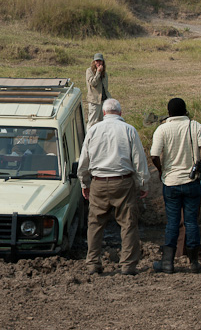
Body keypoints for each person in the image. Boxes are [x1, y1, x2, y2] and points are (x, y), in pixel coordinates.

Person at [78, 98, 150, 276]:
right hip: (123, 182)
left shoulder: (93, 130)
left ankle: (93, 263)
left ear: (103, 113)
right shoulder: (129, 130)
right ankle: (128, 265)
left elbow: (84, 161)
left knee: (95, 224)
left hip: (98, 182)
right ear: (120, 112)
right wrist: (143, 183)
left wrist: (84, 183)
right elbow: (139, 160)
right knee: (128, 224)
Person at [150, 98, 201, 273]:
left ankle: (168, 263)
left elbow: (154, 156)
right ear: (185, 111)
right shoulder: (195, 126)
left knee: (172, 223)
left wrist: (162, 170)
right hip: (192, 182)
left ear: (168, 113)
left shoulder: (162, 129)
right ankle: (194, 263)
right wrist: (197, 165)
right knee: (191, 222)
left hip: (171, 182)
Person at [85, 53, 111, 128]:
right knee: (92, 122)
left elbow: (105, 88)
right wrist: (98, 72)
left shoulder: (105, 73)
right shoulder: (89, 71)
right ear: (94, 62)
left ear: (103, 62)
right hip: (94, 101)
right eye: (97, 61)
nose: (98, 63)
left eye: (100, 61)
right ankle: (89, 138)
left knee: (103, 121)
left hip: (104, 101)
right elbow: (93, 83)